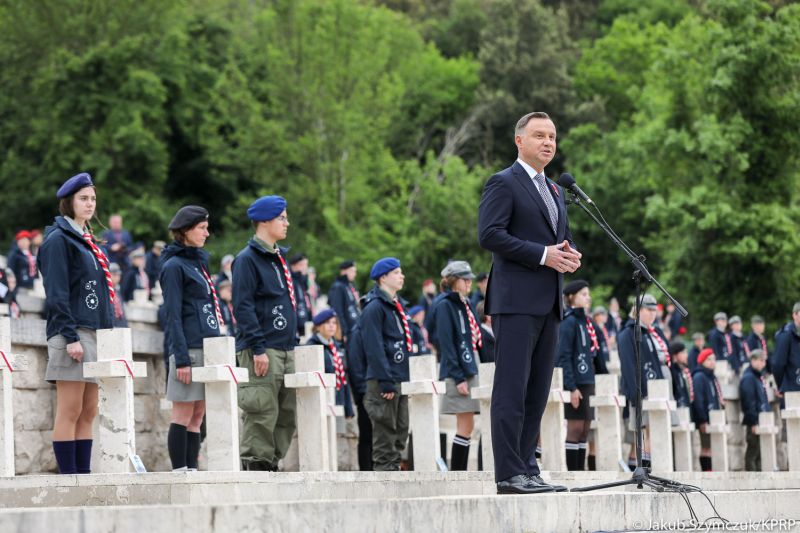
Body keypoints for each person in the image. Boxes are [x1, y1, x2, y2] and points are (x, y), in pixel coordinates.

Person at [477, 111, 579, 494]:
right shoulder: (503, 182)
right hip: (515, 302)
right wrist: (543, 255)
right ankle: (508, 474)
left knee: (537, 392)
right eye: (539, 135)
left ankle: (527, 468)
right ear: (519, 140)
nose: (548, 142)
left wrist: (568, 255)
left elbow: (559, 240)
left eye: (552, 136)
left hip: (549, 303)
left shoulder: (554, 191)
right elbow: (490, 235)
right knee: (512, 389)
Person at [37, 172, 114, 474]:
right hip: (71, 333)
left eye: (93, 198)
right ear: (69, 203)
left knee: (89, 410)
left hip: (93, 333)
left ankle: (84, 476)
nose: (90, 203)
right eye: (83, 198)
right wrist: (70, 337)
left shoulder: (88, 242)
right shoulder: (58, 241)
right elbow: (56, 293)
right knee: (70, 408)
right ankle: (68, 479)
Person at [233, 195, 297, 471]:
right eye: (282, 218)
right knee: (261, 412)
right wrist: (257, 348)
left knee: (287, 413)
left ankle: (272, 463)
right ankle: (256, 467)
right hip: (263, 348)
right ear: (264, 222)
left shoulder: (277, 259)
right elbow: (243, 306)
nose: (287, 223)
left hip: (284, 346)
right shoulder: (247, 260)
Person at [160, 205, 223, 472]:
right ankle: (179, 471)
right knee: (183, 415)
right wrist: (182, 358)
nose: (207, 233)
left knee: (198, 416)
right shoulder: (173, 266)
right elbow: (173, 315)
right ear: (185, 231)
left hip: (207, 347)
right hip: (189, 350)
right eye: (202, 228)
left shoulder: (199, 262)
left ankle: (192, 469)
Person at [360, 257, 413, 471]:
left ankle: (394, 470)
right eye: (397, 272)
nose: (402, 276)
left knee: (400, 430)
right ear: (383, 277)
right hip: (384, 379)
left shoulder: (397, 307)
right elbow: (374, 347)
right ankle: (385, 475)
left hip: (399, 376)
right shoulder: (375, 308)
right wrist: (385, 380)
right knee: (385, 431)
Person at [432, 261, 482, 471]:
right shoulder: (445, 305)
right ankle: (457, 474)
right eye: (465, 279)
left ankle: (460, 473)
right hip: (458, 370)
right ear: (454, 281)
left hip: (471, 364)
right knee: (464, 425)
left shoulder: (465, 303)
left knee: (468, 426)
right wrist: (458, 376)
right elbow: (447, 343)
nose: (469, 282)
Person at [557, 280, 608, 471]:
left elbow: (597, 355)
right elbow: (564, 355)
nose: (588, 297)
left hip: (589, 381)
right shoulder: (568, 322)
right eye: (583, 294)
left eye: (588, 294)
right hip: (576, 382)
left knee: (586, 429)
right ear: (571, 297)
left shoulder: (588, 322)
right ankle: (573, 473)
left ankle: (581, 472)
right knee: (575, 428)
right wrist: (571, 387)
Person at [617, 294, 666, 470]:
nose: (653, 314)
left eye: (655, 310)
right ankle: (644, 469)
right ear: (638, 310)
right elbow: (629, 366)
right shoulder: (628, 333)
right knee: (645, 432)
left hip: (657, 390)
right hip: (642, 390)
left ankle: (653, 468)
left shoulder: (653, 332)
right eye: (649, 310)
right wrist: (635, 393)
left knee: (655, 431)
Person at [305, 309, 354, 418]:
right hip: (320, 402)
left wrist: (348, 407)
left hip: (338, 400)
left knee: (338, 434)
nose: (332, 326)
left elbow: (343, 377)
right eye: (327, 323)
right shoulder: (311, 346)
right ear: (318, 326)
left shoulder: (337, 347)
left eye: (334, 323)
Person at [692, 348, 724, 471]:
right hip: (705, 417)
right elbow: (698, 399)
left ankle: (712, 470)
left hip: (714, 416)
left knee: (712, 447)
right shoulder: (699, 377)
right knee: (706, 447)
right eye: (709, 359)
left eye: (713, 359)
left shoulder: (712, 377)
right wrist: (702, 420)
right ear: (702, 361)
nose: (712, 362)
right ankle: (707, 471)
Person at [739, 349, 769, 471]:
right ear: (753, 360)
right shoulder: (749, 378)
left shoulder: (756, 376)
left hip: (760, 419)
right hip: (754, 421)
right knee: (753, 452)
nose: (764, 364)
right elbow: (748, 402)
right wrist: (753, 422)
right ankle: (752, 482)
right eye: (761, 360)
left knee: (760, 453)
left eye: (764, 361)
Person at [328, 260, 360, 343]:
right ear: (343, 271)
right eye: (352, 271)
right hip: (347, 331)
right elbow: (337, 311)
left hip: (355, 329)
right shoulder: (338, 287)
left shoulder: (349, 285)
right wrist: (343, 332)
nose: (354, 274)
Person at [772, 302, 800, 398]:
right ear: (794, 315)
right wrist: (781, 386)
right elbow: (778, 364)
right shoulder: (785, 335)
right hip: (792, 389)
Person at [289, 253, 313, 337]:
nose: (305, 267)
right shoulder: (290, 281)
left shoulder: (302, 281)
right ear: (293, 266)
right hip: (297, 324)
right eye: (301, 265)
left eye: (306, 264)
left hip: (305, 322)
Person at [669, 341, 693, 410]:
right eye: (683, 352)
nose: (686, 355)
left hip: (685, 409)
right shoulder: (672, 371)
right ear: (674, 355)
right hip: (678, 409)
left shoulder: (681, 370)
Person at [109, 263, 128, 328]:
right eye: (114, 275)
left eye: (118, 275)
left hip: (121, 326)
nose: (117, 277)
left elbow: (122, 312)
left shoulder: (117, 291)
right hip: (111, 327)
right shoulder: (105, 292)